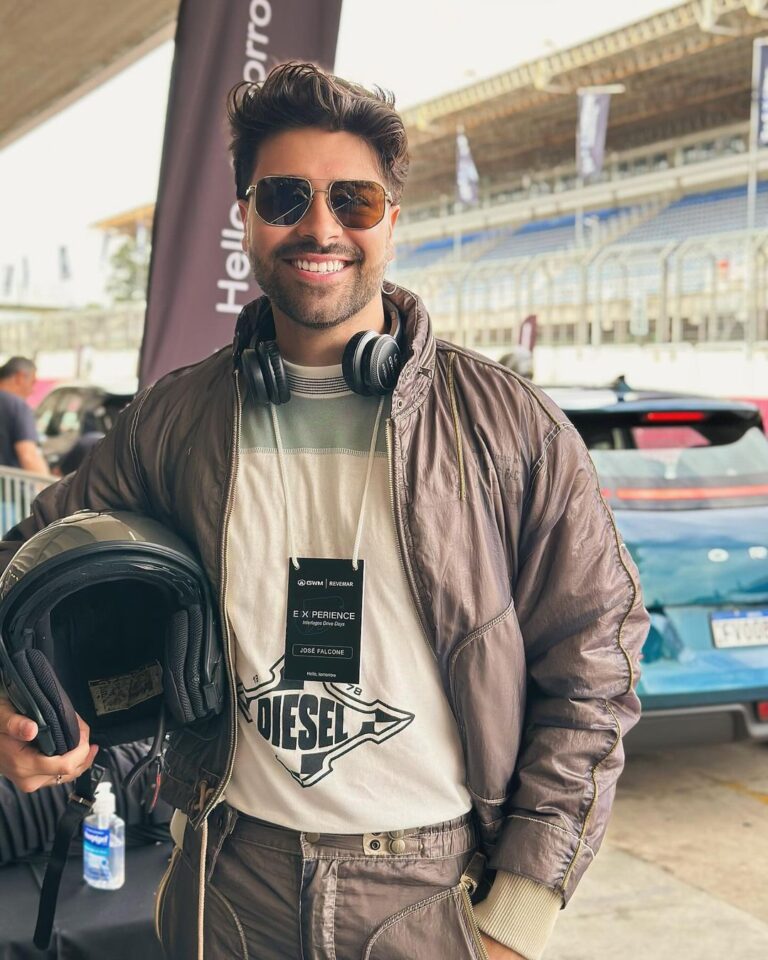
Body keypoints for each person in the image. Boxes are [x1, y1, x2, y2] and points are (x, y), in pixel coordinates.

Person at [0, 63, 648, 960]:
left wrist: (521, 912)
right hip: (227, 884)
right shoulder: (175, 419)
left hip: (431, 893)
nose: (320, 226)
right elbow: (26, 561)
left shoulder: (509, 425)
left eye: (354, 199)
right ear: (244, 217)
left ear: (393, 220)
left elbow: (594, 665)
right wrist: (10, 698)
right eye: (285, 197)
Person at [0, 357, 48, 475]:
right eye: (32, 383)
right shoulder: (16, 406)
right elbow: (29, 456)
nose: (32, 390)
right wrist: (50, 484)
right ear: (20, 377)